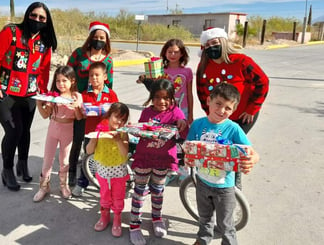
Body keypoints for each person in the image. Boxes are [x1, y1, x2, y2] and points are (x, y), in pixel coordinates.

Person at [0, 2, 57, 191]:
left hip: (30, 94)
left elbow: (43, 69)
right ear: (27, 15)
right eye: (34, 15)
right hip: (4, 92)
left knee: (25, 130)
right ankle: (7, 169)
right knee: (13, 131)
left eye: (42, 18)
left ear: (46, 21)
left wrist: (43, 93)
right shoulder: (11, 32)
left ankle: (22, 164)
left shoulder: (44, 42)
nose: (37, 20)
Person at [187, 83, 259, 245]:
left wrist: (251, 160)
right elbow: (189, 146)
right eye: (218, 104)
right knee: (204, 218)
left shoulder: (233, 128)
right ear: (209, 101)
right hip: (202, 182)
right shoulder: (198, 125)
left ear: (233, 110)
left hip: (224, 187)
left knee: (226, 225)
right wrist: (188, 158)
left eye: (228, 108)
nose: (221, 111)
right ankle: (202, 240)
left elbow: (251, 152)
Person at [197, 27, 268, 189]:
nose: (211, 47)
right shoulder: (203, 66)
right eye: (207, 45)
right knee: (219, 146)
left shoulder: (242, 61)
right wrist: (210, 114)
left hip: (243, 115)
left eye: (214, 43)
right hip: (217, 116)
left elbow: (262, 82)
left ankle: (233, 183)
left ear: (222, 42)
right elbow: (201, 91)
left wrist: (252, 108)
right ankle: (215, 179)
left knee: (233, 147)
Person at [129, 79, 187, 245]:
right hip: (143, 158)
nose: (161, 101)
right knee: (139, 191)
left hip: (163, 160)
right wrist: (135, 128)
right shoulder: (147, 112)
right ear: (151, 97)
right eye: (157, 97)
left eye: (165, 97)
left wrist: (183, 124)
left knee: (158, 190)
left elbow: (183, 133)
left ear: (171, 98)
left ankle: (156, 218)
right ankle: (134, 225)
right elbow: (140, 132)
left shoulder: (176, 113)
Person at [67, 21, 114, 188]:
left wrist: (106, 105)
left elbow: (110, 84)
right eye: (96, 37)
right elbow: (67, 73)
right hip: (79, 102)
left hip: (97, 106)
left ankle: (91, 171)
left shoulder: (107, 60)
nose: (98, 40)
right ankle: (72, 171)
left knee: (93, 141)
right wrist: (72, 93)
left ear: (106, 40)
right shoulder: (79, 54)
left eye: (102, 38)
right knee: (77, 139)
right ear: (90, 38)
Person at [33, 66, 83, 201]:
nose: (61, 84)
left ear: (72, 81)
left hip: (68, 130)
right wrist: (39, 104)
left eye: (64, 80)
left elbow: (79, 117)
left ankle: (63, 185)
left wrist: (76, 107)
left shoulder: (76, 96)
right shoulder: (53, 96)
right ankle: (43, 187)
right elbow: (45, 115)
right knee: (48, 159)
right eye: (58, 81)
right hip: (53, 128)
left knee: (64, 160)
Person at [72, 61, 119, 196]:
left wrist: (109, 113)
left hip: (106, 134)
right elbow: (80, 117)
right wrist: (79, 109)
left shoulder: (111, 94)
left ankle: (107, 184)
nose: (94, 78)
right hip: (90, 134)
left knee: (106, 159)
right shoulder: (85, 95)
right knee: (87, 157)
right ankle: (82, 183)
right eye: (91, 75)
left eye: (97, 75)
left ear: (105, 77)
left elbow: (117, 113)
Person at [86, 102, 130, 238]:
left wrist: (118, 140)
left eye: (123, 119)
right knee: (104, 194)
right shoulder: (99, 129)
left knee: (118, 196)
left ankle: (117, 218)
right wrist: (94, 140)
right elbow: (88, 151)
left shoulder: (123, 133)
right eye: (117, 117)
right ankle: (104, 216)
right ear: (109, 115)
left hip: (119, 172)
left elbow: (124, 152)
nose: (119, 121)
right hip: (103, 171)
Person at [137, 38, 194, 124]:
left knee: (181, 133)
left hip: (183, 109)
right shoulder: (159, 70)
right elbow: (155, 89)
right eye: (170, 52)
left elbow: (189, 94)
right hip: (164, 111)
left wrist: (190, 114)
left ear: (182, 53)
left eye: (176, 52)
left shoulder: (187, 72)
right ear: (165, 53)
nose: (173, 54)